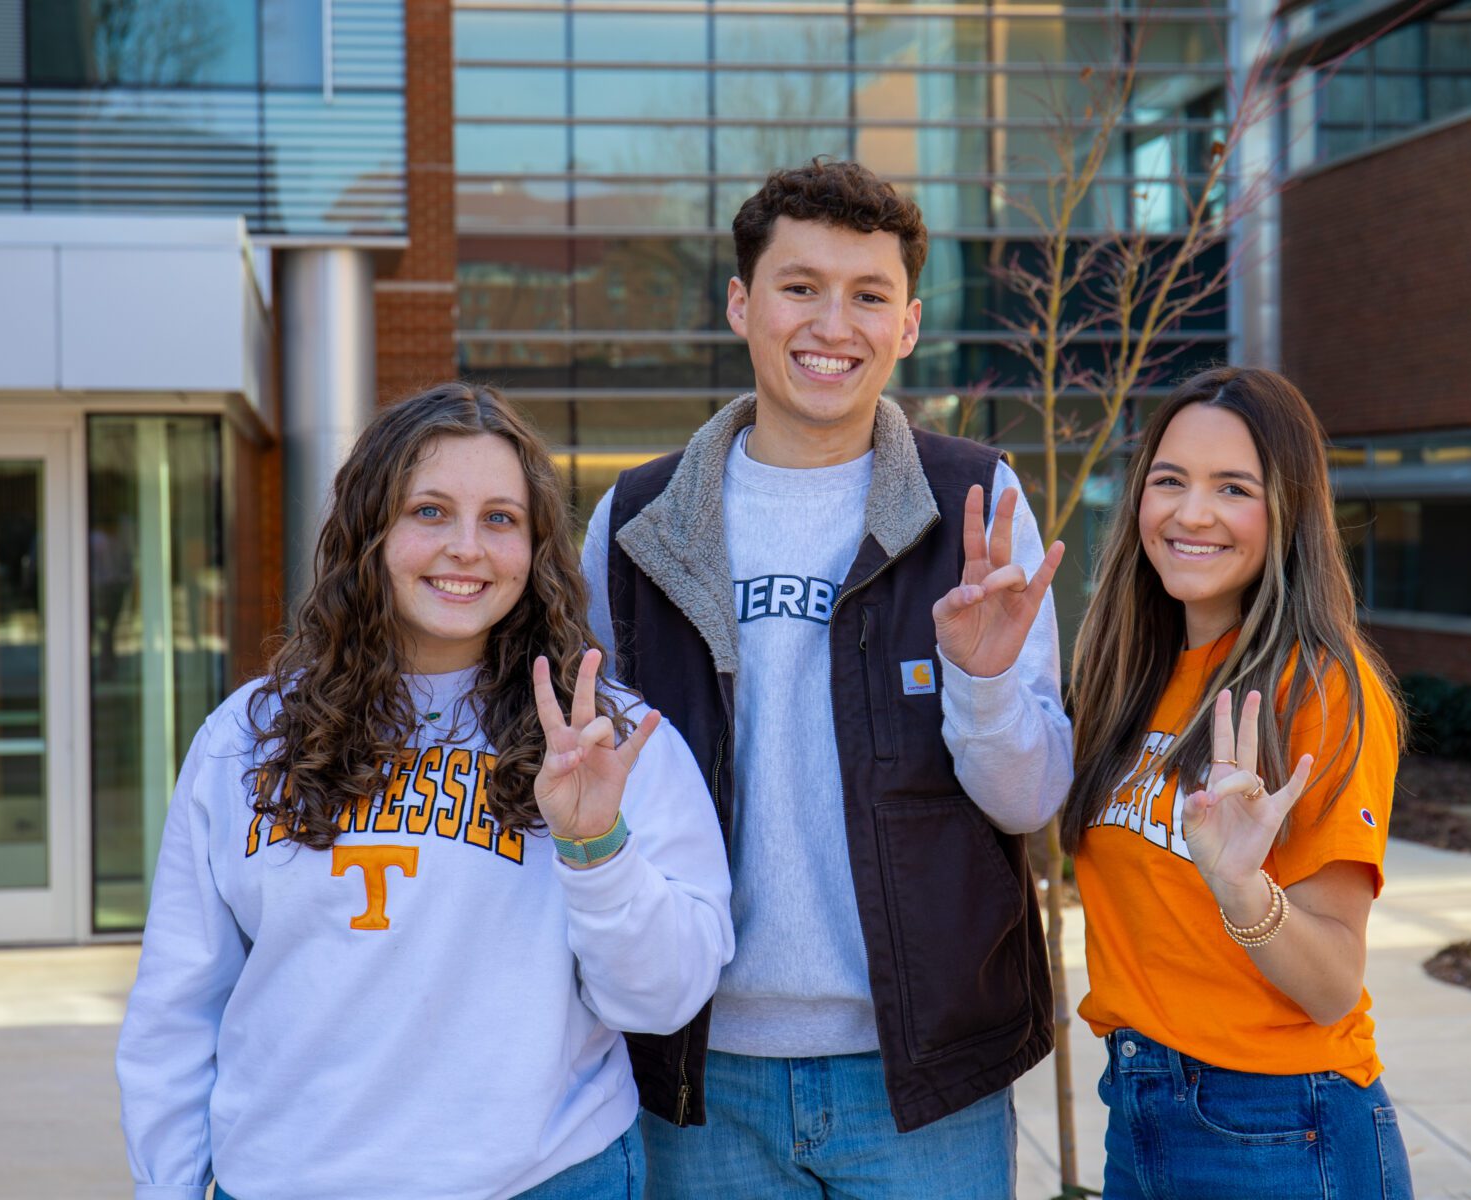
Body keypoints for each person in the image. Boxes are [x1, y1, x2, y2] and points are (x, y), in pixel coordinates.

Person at [580, 159, 1073, 1198]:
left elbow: (1027, 800)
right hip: (699, 1070)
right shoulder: (634, 525)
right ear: (739, 303)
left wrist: (981, 685)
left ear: (906, 324)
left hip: (924, 1075)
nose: (830, 324)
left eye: (868, 295)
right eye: (799, 286)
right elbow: (584, 792)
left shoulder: (976, 504)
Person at [116, 383, 733, 1200]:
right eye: (430, 512)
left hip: (542, 1180)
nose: (466, 548)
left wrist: (597, 849)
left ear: (537, 545)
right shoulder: (247, 736)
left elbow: (663, 999)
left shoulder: (606, 739)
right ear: (370, 530)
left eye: (501, 519)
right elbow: (178, 1005)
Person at [1063, 366, 1413, 1200]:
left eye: (1233, 488)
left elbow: (1331, 985)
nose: (1192, 513)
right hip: (1139, 1106)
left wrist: (1243, 890)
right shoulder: (1130, 675)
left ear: (1287, 509)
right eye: (1170, 481)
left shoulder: (1321, 687)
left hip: (1279, 1128)